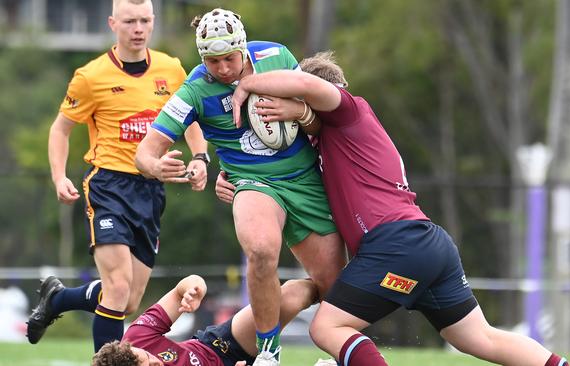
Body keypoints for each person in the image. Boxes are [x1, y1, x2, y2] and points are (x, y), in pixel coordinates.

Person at [215, 51, 570, 366]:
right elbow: (279, 178)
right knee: (477, 338)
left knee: (327, 327)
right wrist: (237, 180)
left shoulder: (348, 110)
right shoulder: (325, 143)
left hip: (395, 244)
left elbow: (309, 90)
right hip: (426, 244)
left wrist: (249, 85)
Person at [135, 8, 346, 365]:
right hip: (252, 183)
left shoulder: (277, 57)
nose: (221, 68)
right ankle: (268, 354)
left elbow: (321, 125)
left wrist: (297, 113)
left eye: (228, 58)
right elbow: (145, 151)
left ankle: (341, 358)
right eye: (212, 60)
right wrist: (156, 166)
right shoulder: (195, 89)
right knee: (261, 250)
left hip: (306, 181)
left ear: (243, 47)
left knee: (336, 289)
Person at [27, 0, 209, 352]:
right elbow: (60, 130)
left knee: (127, 302)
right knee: (118, 287)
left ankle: (59, 299)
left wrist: (200, 157)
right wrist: (57, 176)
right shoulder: (91, 77)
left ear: (153, 22)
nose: (137, 29)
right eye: (129, 21)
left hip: (151, 190)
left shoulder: (170, 69)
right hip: (108, 186)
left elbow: (191, 117)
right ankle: (106, 363)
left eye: (144, 20)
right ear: (113, 23)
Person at [92, 274, 319, 366]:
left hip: (220, 345)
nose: (157, 362)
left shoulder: (136, 338)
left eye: (148, 357)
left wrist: (194, 289)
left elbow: (182, 287)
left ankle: (346, 302)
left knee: (292, 294)